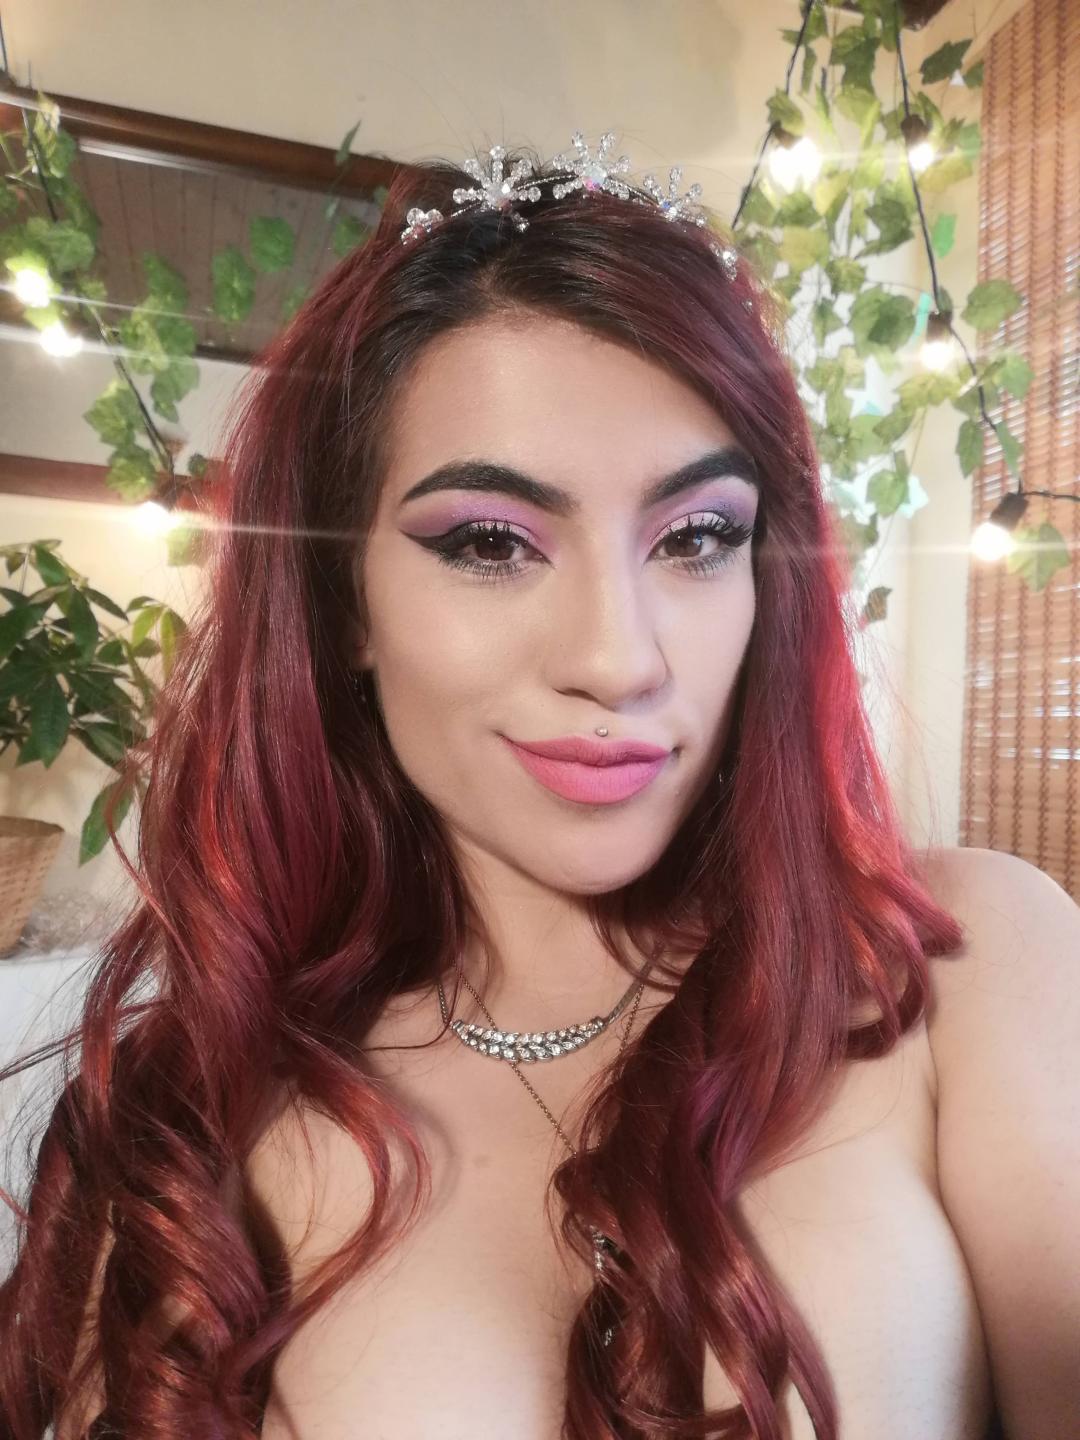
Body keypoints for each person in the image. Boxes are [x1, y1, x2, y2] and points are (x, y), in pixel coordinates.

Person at [1, 131, 1078, 1440]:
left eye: (697, 536)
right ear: (344, 601)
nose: (618, 659)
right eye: (490, 544)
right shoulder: (192, 1109)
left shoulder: (967, 970)